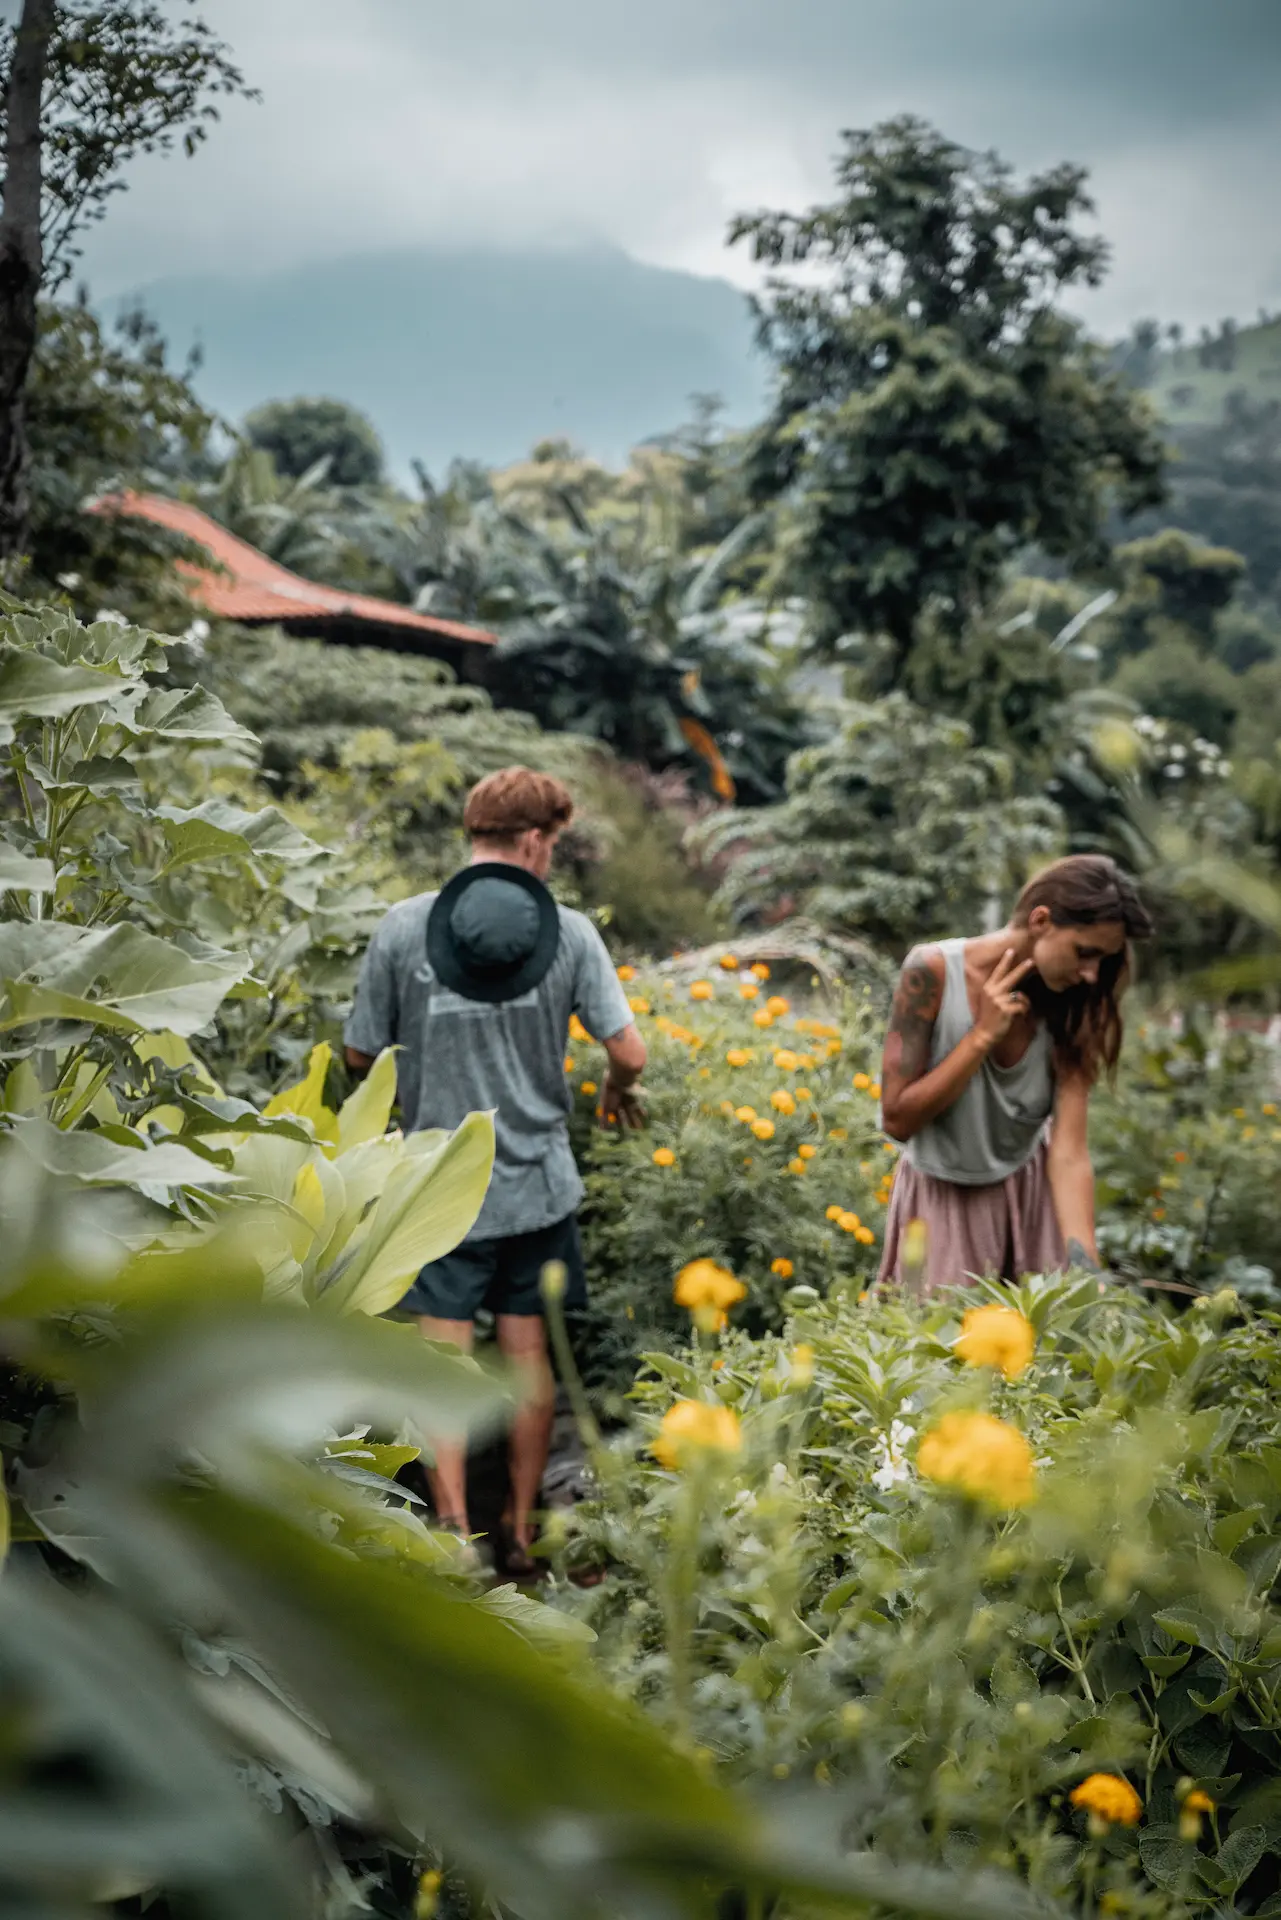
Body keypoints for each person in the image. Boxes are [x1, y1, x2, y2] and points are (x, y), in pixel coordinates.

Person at [343, 766, 646, 1572]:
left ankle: (451, 1529)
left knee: (439, 1358)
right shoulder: (571, 934)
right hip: (535, 1186)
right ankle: (517, 1527)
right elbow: (630, 1050)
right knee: (525, 1356)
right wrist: (617, 1088)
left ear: (474, 835)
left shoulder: (404, 928)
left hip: (436, 1187)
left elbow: (357, 1052)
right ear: (537, 841)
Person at [877, 854, 1154, 1292]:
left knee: (1042, 1350)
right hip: (938, 1202)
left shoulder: (1077, 1004)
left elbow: (1069, 1152)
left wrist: (1087, 1266)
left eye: (1102, 960)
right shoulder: (930, 973)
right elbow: (897, 1119)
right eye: (1085, 952)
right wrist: (980, 1038)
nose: (1091, 973)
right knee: (936, 1349)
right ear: (1041, 920)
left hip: (1030, 1200)